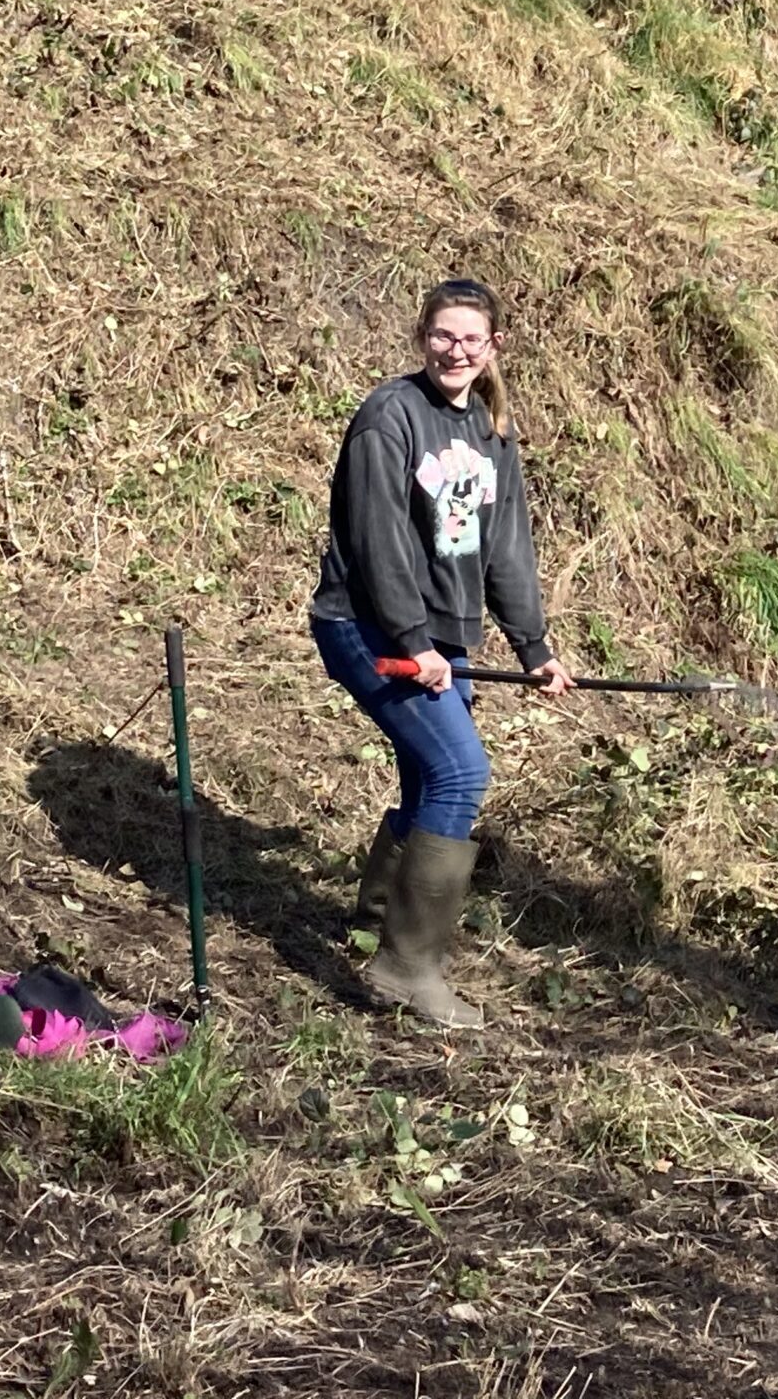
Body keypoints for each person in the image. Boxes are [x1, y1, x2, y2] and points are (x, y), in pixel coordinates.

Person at [309, 278, 573, 1027]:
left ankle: (374, 918)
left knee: (433, 775)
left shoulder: (492, 429)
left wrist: (533, 647)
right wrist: (414, 641)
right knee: (461, 771)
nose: (456, 351)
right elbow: (377, 540)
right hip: (369, 629)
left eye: (471, 339)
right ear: (421, 336)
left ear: (493, 346)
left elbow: (507, 548)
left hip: (442, 636)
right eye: (442, 336)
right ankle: (406, 967)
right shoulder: (388, 419)